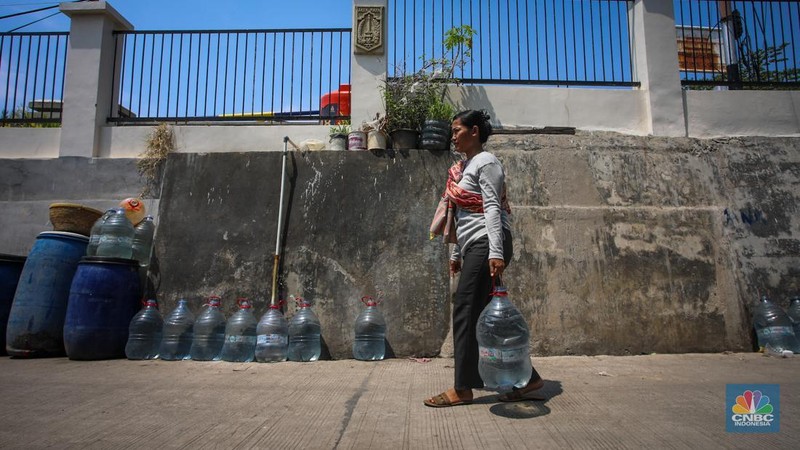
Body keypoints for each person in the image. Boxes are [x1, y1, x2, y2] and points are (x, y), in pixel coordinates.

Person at [424, 110, 544, 407]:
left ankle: (463, 388)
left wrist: (495, 253)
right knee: (485, 316)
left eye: (457, 130)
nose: (453, 136)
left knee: (465, 309)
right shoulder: (462, 168)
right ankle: (528, 378)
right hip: (473, 245)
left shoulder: (487, 163)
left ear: (474, 131)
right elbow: (461, 217)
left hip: (488, 243)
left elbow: (492, 208)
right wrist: (456, 253)